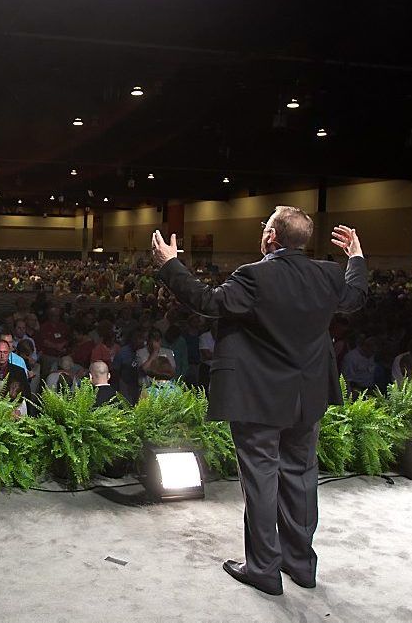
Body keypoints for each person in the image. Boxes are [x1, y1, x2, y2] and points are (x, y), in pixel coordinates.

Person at [151, 206, 367, 595]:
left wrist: (171, 265)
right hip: (307, 398)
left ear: (271, 236)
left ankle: (264, 569)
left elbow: (208, 301)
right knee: (302, 479)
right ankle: (301, 565)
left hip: (259, 399)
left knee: (262, 480)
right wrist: (356, 257)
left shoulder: (255, 276)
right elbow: (354, 297)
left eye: (265, 226)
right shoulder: (329, 274)